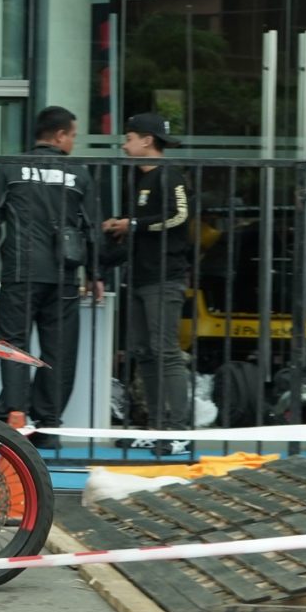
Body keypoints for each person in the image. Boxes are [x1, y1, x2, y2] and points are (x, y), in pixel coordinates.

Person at [0, 105, 101, 450]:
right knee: (59, 351)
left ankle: (14, 417)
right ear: (59, 136)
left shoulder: (11, 167)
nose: (73, 142)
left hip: (20, 272)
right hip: (64, 274)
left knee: (14, 346)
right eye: (72, 135)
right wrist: (96, 273)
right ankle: (48, 424)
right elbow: (92, 227)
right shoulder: (79, 174)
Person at [101, 114, 193, 456]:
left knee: (165, 352)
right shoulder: (137, 177)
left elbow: (180, 215)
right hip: (139, 276)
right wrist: (121, 227)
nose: (124, 146)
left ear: (147, 141)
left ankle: (179, 430)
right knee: (145, 353)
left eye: (129, 138)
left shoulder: (170, 174)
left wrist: (133, 224)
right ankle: (157, 427)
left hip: (165, 277)